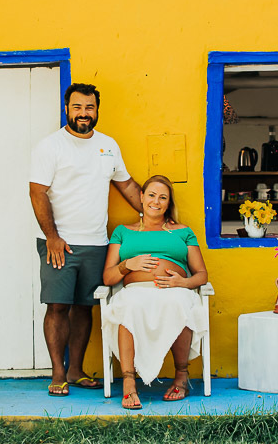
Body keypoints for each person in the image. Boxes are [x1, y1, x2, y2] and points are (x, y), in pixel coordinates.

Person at [29, 83, 142, 397]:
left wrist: (157, 214)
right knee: (57, 306)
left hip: (96, 243)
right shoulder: (50, 146)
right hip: (59, 244)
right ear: (67, 109)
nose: (83, 113)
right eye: (77, 107)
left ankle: (76, 370)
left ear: (96, 110)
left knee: (85, 308)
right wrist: (52, 237)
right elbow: (37, 192)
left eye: (89, 108)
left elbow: (128, 185)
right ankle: (58, 373)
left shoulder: (108, 146)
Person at [102, 175, 209, 410]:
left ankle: (181, 376)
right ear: (141, 197)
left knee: (179, 304)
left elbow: (201, 275)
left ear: (168, 203)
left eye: (163, 197)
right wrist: (126, 265)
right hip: (136, 290)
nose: (156, 201)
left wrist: (183, 282)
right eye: (151, 195)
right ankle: (129, 382)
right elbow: (108, 277)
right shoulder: (123, 232)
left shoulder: (183, 232)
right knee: (128, 307)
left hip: (174, 289)